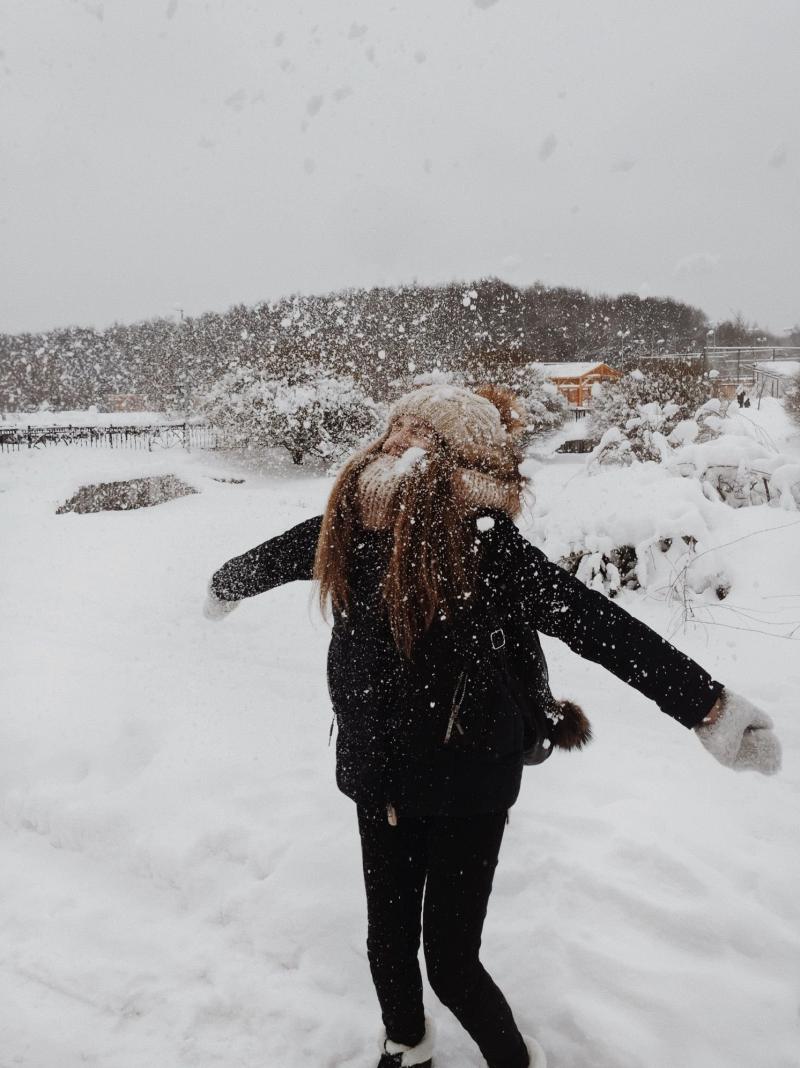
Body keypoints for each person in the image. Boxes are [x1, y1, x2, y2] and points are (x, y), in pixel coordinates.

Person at [204, 383, 781, 1068]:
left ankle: (514, 1059)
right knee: (387, 945)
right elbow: (271, 559)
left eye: (419, 435)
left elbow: (597, 624)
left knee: (451, 963)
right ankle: (406, 1046)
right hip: (377, 776)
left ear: (457, 458)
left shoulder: (486, 545)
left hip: (467, 786)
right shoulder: (348, 526)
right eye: (394, 428)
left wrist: (708, 707)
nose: (394, 442)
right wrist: (226, 583)